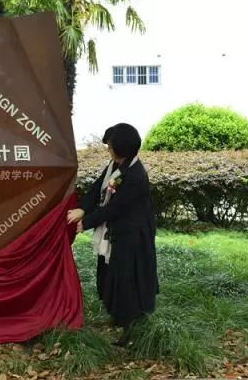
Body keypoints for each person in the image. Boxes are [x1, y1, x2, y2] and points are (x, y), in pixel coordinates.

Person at [67, 123, 158, 345]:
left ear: (122, 148)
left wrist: (86, 222)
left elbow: (115, 208)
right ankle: (117, 316)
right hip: (115, 233)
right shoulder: (116, 166)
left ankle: (130, 331)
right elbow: (98, 188)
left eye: (110, 146)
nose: (108, 149)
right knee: (108, 276)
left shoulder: (135, 175)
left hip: (131, 236)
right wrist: (82, 208)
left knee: (126, 281)